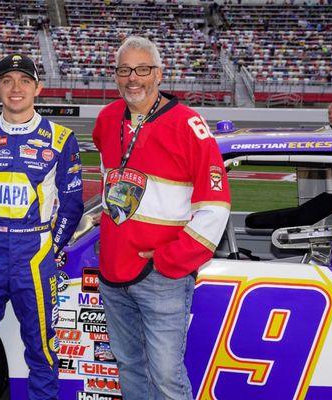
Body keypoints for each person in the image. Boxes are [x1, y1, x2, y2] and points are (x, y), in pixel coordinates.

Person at [92, 36, 231, 399]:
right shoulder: (107, 118)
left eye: (142, 70)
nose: (132, 79)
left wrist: (169, 260)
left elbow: (215, 208)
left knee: (167, 379)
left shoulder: (189, 124)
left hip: (161, 277)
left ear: (159, 73)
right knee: (129, 368)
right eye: (124, 70)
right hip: (113, 272)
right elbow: (111, 178)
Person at [0, 54, 84, 399]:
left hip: (34, 257)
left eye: (24, 80)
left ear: (38, 87)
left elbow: (72, 205)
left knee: (41, 352)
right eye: (8, 80)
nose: (16, 88)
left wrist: (49, 248)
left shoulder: (60, 137)